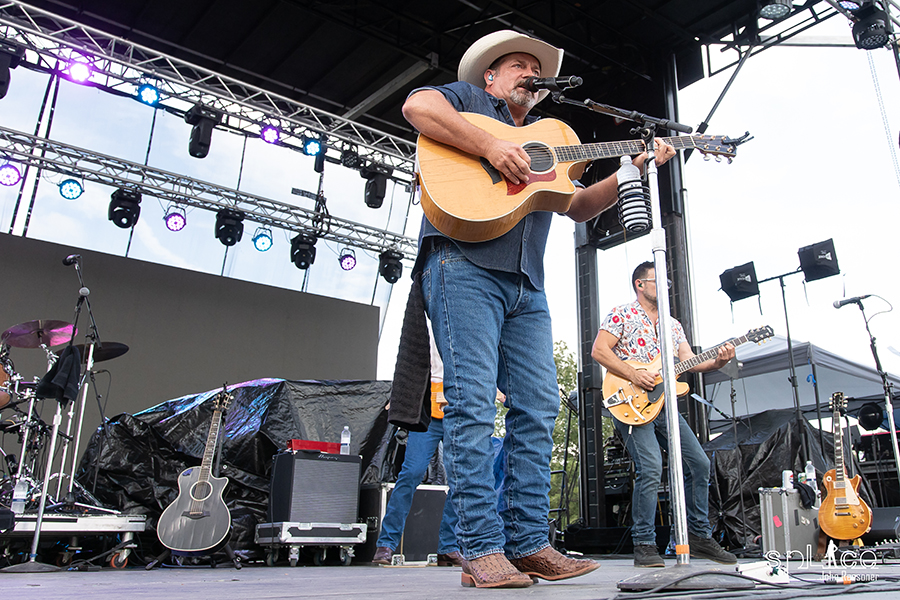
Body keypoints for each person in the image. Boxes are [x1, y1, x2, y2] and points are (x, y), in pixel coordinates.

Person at [402, 30, 677, 588]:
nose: (530, 73)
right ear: (491, 77)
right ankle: (478, 547)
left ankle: (528, 542)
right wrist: (488, 147)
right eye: (519, 65)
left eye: (536, 68)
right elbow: (416, 106)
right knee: (473, 404)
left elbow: (574, 207)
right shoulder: (467, 101)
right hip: (463, 264)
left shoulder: (553, 136)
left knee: (539, 407)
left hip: (528, 283)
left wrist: (628, 173)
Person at [590, 261, 738, 567]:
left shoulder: (673, 325)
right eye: (658, 281)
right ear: (639, 285)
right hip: (629, 401)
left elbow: (690, 362)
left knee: (699, 462)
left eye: (667, 282)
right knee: (651, 466)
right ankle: (644, 543)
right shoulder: (622, 313)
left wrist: (719, 362)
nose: (665, 286)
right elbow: (599, 351)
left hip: (663, 404)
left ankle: (697, 536)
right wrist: (633, 374)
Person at [373, 327, 462, 567]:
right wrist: (400, 397)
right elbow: (409, 366)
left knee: (461, 479)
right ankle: (386, 543)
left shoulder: (468, 316)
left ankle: (448, 547)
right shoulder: (424, 320)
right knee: (411, 472)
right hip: (428, 414)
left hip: (458, 411)